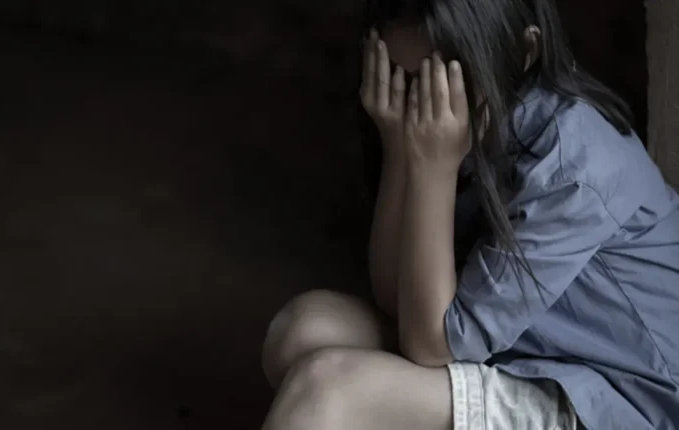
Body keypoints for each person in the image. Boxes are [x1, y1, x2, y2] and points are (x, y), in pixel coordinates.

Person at [260, 0, 679, 429]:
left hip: (616, 401)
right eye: (405, 80)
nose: (424, 106)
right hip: (521, 355)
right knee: (303, 329)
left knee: (327, 390)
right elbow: (398, 298)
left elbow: (432, 345)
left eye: (443, 80)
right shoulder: (464, 126)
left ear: (524, 52)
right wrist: (401, 149)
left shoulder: (572, 167)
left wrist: (433, 168)